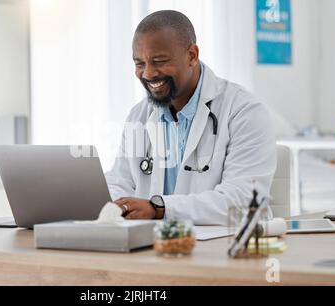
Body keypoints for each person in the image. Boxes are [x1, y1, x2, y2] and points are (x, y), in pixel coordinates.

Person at [105, 10, 276, 225]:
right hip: (154, 246)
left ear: (192, 56)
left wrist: (158, 208)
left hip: (224, 248)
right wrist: (112, 204)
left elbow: (244, 201)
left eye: (159, 61)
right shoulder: (139, 115)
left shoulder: (244, 111)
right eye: (139, 64)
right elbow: (120, 180)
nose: (148, 73)